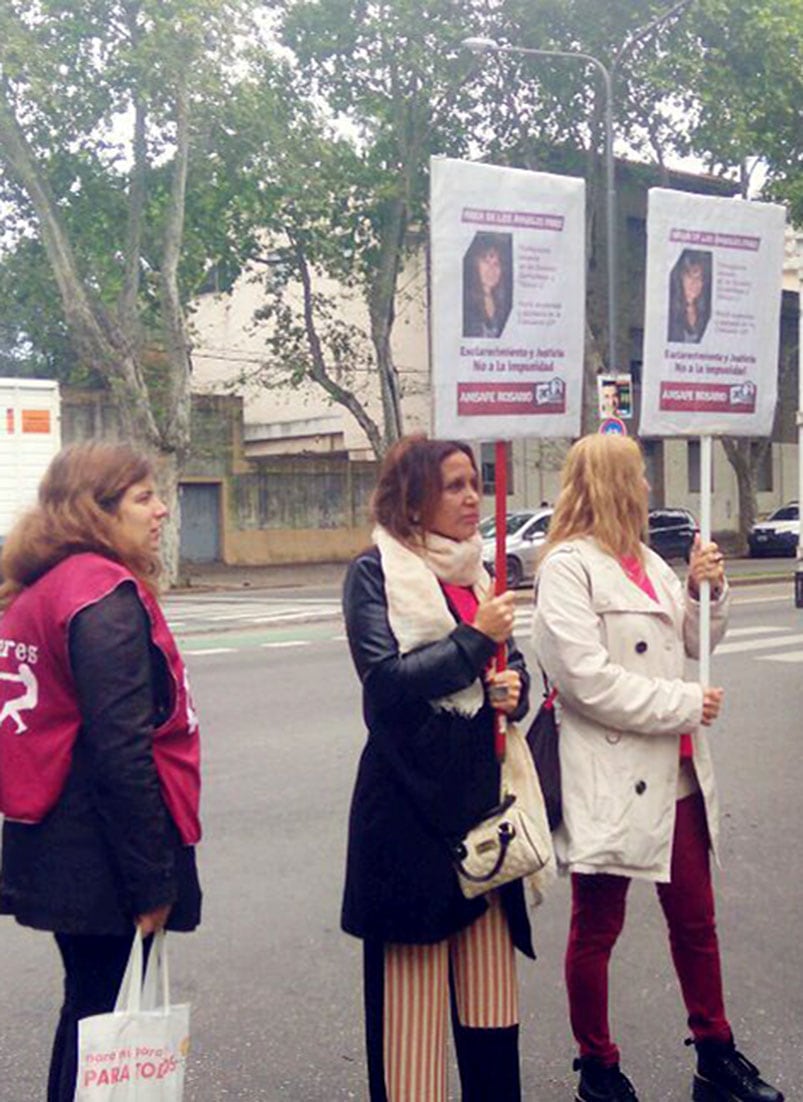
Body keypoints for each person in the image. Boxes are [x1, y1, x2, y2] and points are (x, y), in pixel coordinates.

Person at [531, 434, 782, 1102]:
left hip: (676, 775)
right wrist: (680, 704)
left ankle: (715, 1055)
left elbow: (694, 643)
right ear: (609, 484)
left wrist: (710, 589)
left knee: (696, 924)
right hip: (610, 773)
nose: (645, 490)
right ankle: (598, 1067)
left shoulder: (645, 560)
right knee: (596, 927)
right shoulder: (567, 567)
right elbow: (583, 680)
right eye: (636, 478)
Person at [342, 434, 548, 1102]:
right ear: (414, 497)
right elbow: (386, 689)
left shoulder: (476, 575)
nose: (471, 497)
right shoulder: (375, 573)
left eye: (475, 484)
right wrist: (475, 640)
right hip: (408, 818)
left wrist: (511, 684)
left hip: (484, 817)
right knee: (412, 1033)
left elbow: (508, 667)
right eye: (454, 484)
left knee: (492, 1012)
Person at [0, 442, 202, 1102]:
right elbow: (123, 754)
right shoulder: (101, 596)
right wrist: (152, 882)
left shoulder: (43, 586)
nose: (162, 510)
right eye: (144, 497)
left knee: (88, 1013)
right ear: (96, 510)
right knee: (105, 1024)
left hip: (54, 835)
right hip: (102, 855)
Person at [463, 234, 511, 338]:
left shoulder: (505, 304)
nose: (492, 269)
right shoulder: (464, 301)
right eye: (486, 261)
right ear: (475, 264)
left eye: (496, 264)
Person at [667, 249, 712, 344]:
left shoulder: (707, 311)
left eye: (699, 278)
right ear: (680, 278)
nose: (694, 283)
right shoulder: (669, 310)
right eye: (690, 277)